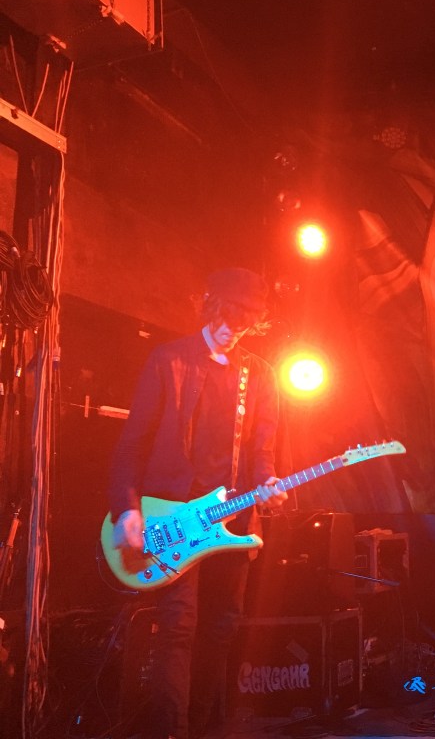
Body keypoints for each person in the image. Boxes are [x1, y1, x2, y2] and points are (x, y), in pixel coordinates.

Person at [108, 267, 288, 739]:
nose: (233, 331)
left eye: (245, 324)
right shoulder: (169, 360)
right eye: (228, 319)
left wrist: (268, 483)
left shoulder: (261, 374)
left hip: (231, 521)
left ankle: (202, 727)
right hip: (174, 517)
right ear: (211, 307)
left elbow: (262, 451)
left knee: (222, 626)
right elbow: (132, 443)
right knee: (178, 628)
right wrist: (127, 508)